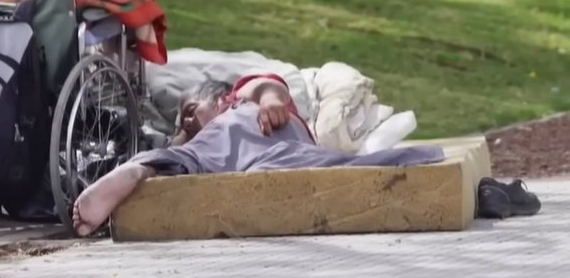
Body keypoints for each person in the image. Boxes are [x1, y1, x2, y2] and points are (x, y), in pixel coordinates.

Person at [72, 75, 444, 236]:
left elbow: (266, 86)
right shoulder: (206, 136)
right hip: (257, 158)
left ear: (222, 100)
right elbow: (185, 144)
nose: (186, 121)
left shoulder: (238, 103)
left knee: (175, 160)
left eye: (191, 110)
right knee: (331, 166)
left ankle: (136, 170)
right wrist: (186, 133)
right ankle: (135, 172)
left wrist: (269, 101)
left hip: (257, 141)